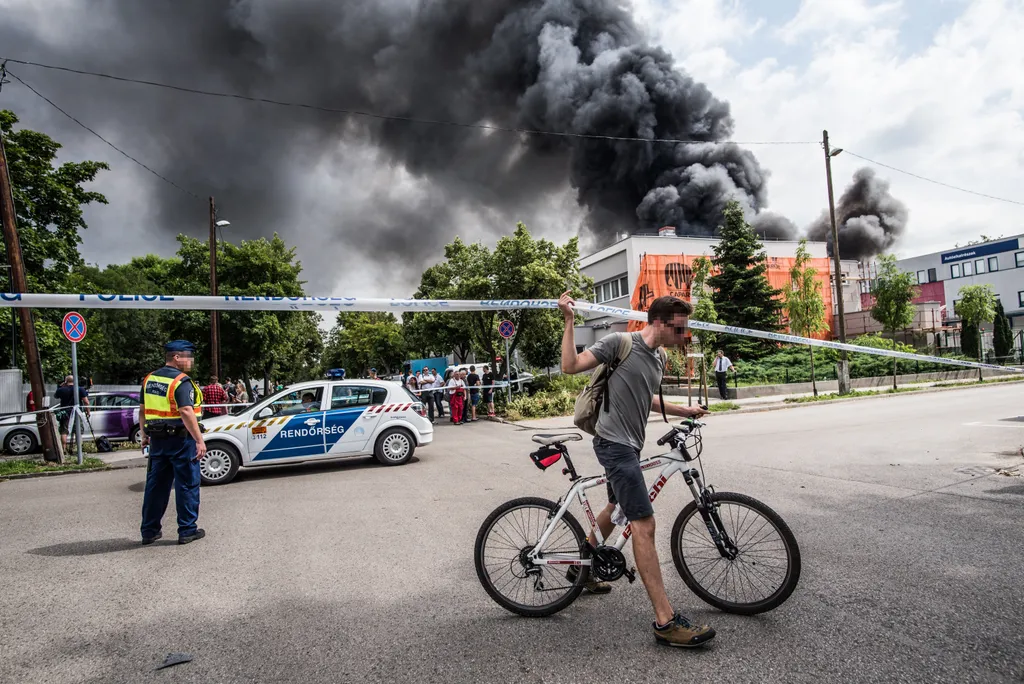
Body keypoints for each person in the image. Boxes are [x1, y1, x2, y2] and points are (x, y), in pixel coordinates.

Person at [558, 291, 713, 648]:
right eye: (679, 328)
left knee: (616, 509)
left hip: (628, 446)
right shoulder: (619, 343)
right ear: (658, 322)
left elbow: (648, 398)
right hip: (614, 445)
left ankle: (579, 568)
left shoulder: (658, 358)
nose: (683, 336)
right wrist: (569, 321)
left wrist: (683, 411)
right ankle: (665, 621)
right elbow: (570, 366)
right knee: (644, 523)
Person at [139, 340, 207, 546]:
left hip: (158, 441)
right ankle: (187, 530)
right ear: (177, 357)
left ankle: (149, 531)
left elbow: (142, 410)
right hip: (181, 441)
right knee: (187, 485)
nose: (191, 361)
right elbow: (186, 411)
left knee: (156, 486)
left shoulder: (149, 379)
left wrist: (143, 434)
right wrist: (199, 440)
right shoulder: (180, 381)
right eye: (188, 357)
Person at [54, 375, 90, 450]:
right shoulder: (80, 389)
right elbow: (86, 402)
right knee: (78, 431)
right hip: (77, 412)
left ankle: (63, 449)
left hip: (65, 413)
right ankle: (79, 450)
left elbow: (56, 396)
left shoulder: (61, 390)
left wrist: (60, 386)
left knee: (64, 431)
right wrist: (88, 412)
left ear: (66, 381)